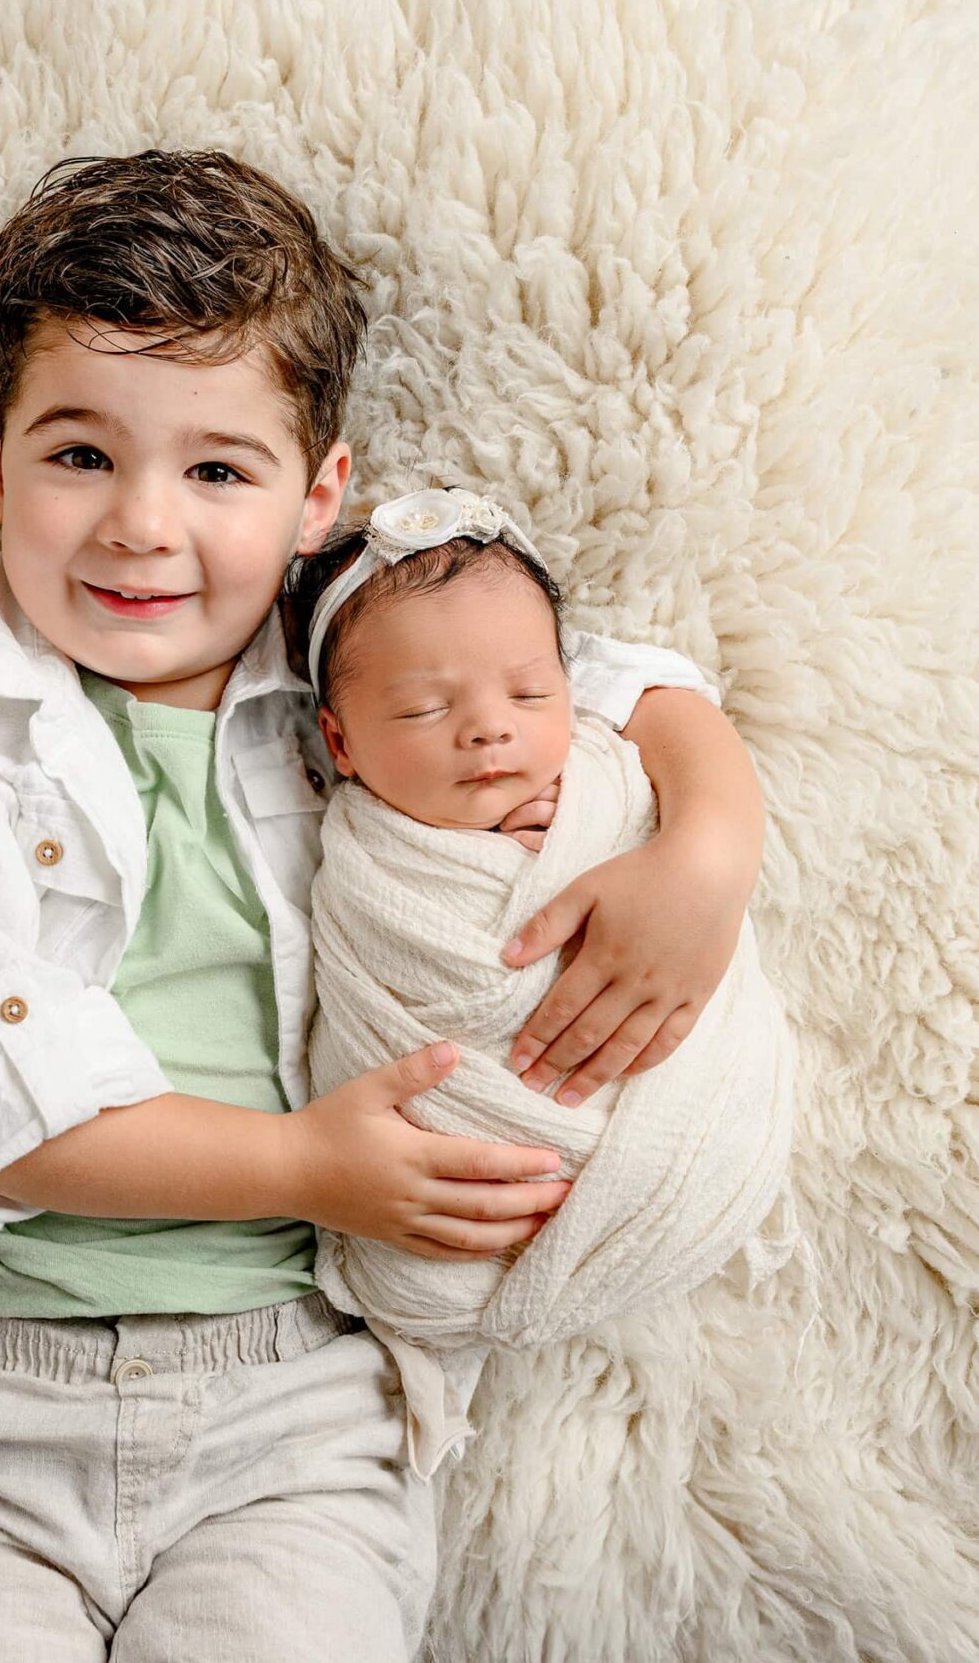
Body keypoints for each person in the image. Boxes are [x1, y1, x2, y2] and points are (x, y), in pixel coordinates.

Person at [0, 149, 765, 1661]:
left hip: (291, 1405)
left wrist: (711, 850)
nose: (146, 526)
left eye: (217, 470)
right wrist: (310, 1163)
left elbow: (607, 671)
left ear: (314, 496)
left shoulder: (344, 660)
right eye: (83, 454)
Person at [283, 486, 797, 1480]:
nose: (489, 731)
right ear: (339, 744)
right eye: (425, 710)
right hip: (433, 1184)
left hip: (666, 1147)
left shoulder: (609, 771)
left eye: (528, 695)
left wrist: (687, 855)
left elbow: (653, 693)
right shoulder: (350, 843)